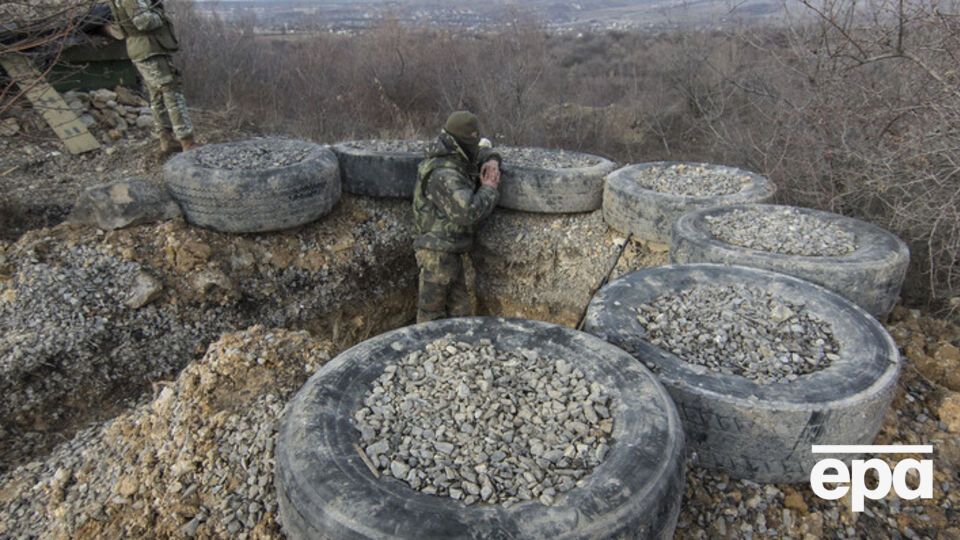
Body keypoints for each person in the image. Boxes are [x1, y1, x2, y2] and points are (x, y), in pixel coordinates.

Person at [412, 111, 502, 323]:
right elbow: (467, 213)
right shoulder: (444, 173)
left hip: (451, 250)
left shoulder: (454, 151)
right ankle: (429, 354)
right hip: (436, 253)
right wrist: (489, 189)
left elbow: (480, 151)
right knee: (431, 317)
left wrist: (493, 160)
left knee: (460, 314)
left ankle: (456, 354)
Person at [105, 0, 197, 155]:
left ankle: (167, 141)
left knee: (158, 95)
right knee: (171, 92)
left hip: (145, 49)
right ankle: (187, 142)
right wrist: (160, 14)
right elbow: (144, 21)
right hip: (148, 49)